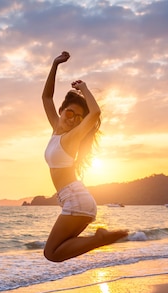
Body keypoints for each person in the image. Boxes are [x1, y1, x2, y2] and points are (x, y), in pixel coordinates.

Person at [42, 51, 128, 262]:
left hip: (76, 200)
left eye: (78, 118)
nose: (72, 120)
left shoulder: (71, 137)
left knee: (51, 253)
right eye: (70, 113)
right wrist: (55, 65)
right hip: (75, 200)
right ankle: (100, 238)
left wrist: (84, 88)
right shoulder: (56, 130)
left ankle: (100, 238)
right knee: (57, 251)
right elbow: (46, 97)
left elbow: (95, 113)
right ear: (61, 111)